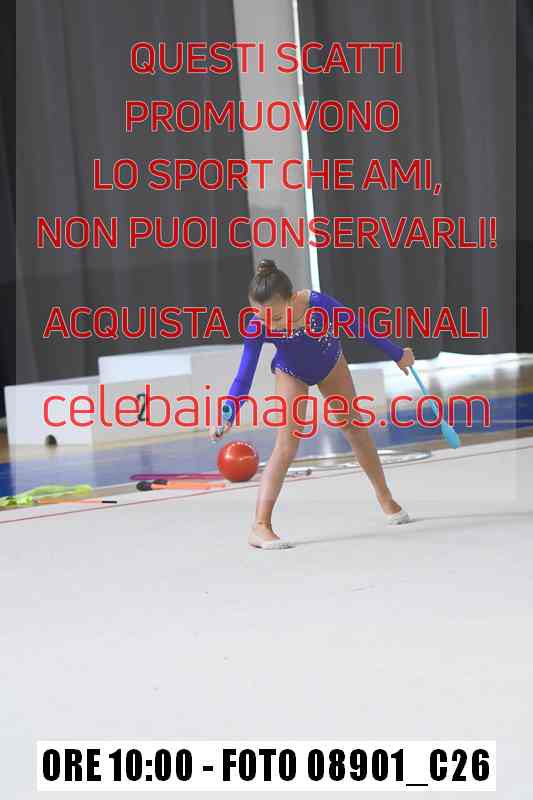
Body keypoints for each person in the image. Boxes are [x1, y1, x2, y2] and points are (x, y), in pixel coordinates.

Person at [210, 259, 415, 549]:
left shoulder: (318, 304)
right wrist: (227, 413)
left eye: (276, 317)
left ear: (293, 299)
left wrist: (397, 354)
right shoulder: (257, 325)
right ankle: (260, 526)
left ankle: (385, 498)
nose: (269, 323)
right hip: (291, 372)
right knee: (286, 445)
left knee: (355, 429)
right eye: (259, 314)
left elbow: (360, 328)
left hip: (330, 363)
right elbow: (244, 376)